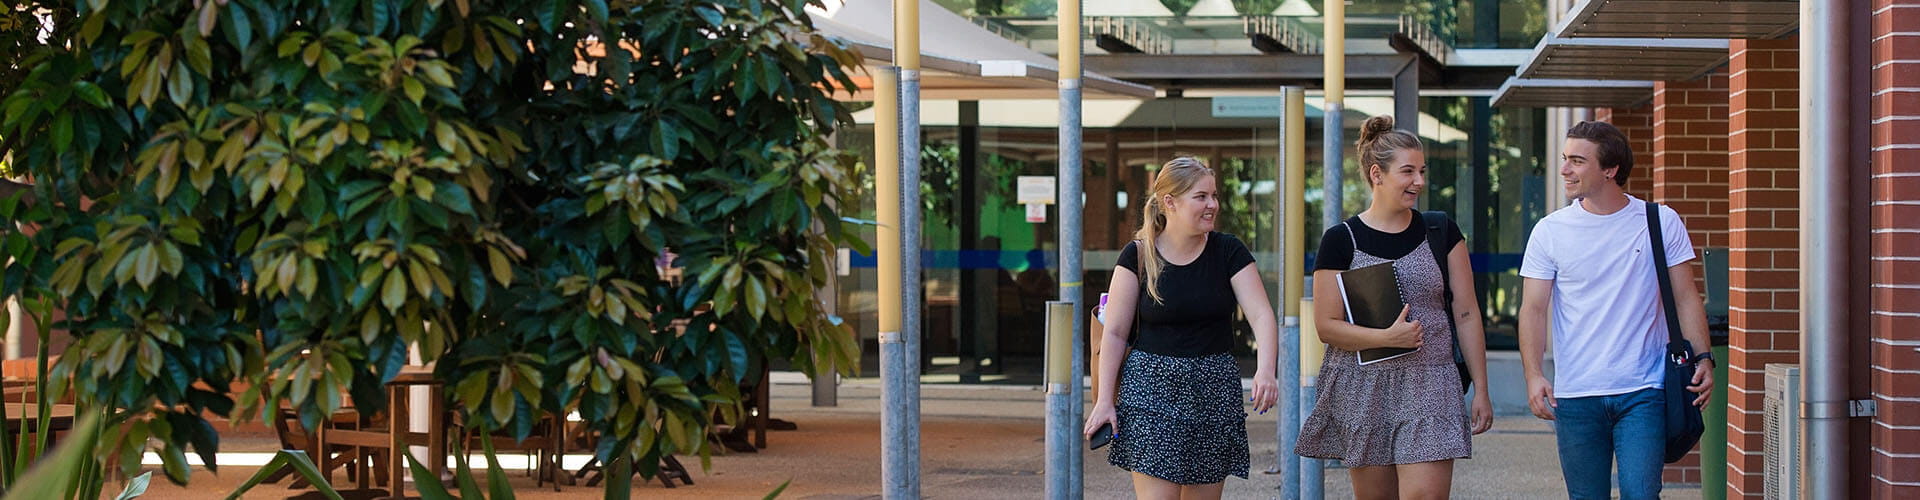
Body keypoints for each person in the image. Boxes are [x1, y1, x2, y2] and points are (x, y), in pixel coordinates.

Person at [1294, 115, 1494, 500]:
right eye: (1408, 171)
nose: (1419, 181)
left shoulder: (1440, 231)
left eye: (1421, 171)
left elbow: (1467, 314)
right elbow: (1326, 326)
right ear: (1377, 174)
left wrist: (1482, 389)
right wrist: (1386, 337)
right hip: (1364, 386)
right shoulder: (1341, 240)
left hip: (1431, 380)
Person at [1519, 121, 1714, 500]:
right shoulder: (1550, 231)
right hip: (1576, 394)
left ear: (1610, 170)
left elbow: (1686, 297)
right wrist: (1533, 374)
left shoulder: (1660, 221)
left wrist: (1703, 356)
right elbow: (1533, 309)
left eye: (1577, 161)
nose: (1564, 170)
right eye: (1564, 159)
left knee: (1641, 495)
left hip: (1645, 389)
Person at [1084, 156, 1280, 500]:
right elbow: (1113, 333)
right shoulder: (1138, 256)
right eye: (1201, 197)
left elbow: (1262, 315)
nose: (1212, 205)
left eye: (1214, 196)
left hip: (1213, 392)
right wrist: (1104, 402)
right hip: (1150, 392)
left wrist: (1266, 370)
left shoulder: (1228, 251)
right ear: (1170, 203)